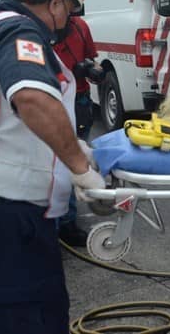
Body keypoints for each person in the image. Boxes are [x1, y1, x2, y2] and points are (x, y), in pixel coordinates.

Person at [0, 0, 106, 334]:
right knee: (30, 319)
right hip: (13, 217)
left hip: (19, 214)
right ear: (58, 2)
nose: (67, 21)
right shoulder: (19, 30)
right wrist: (80, 169)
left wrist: (71, 147)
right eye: (69, 11)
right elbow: (30, 97)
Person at [53, 15, 106, 246]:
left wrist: (94, 71)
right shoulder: (34, 29)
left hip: (79, 101)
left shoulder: (79, 27)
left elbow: (91, 59)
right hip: (51, 101)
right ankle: (51, 223)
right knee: (52, 162)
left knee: (72, 164)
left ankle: (67, 224)